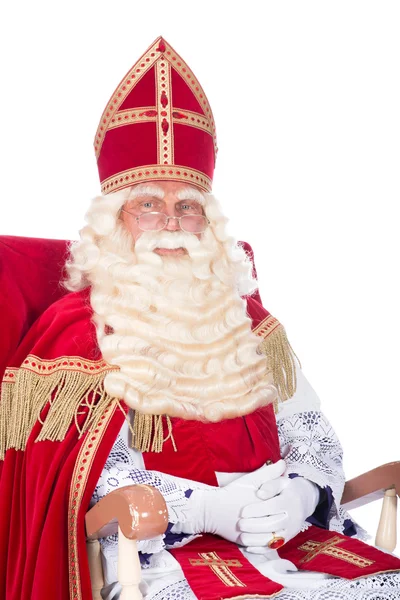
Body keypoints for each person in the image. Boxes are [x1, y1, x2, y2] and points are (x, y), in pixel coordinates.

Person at [0, 36, 399, 600]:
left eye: (187, 206)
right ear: (114, 221)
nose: (170, 221)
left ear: (207, 225)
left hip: (287, 540)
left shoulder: (254, 327)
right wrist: (209, 508)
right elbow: (87, 482)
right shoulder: (76, 336)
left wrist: (302, 497)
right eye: (147, 204)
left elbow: (312, 433)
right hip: (162, 554)